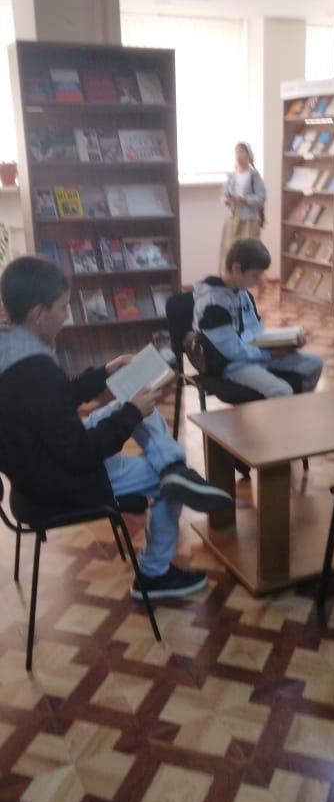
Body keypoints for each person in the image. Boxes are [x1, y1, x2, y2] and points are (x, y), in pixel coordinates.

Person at [0, 256, 233, 602]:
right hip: (60, 482)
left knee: (134, 404)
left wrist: (106, 372)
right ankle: (154, 574)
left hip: (36, 467)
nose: (67, 316)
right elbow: (81, 453)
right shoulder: (36, 372)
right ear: (38, 313)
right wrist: (131, 413)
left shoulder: (12, 350)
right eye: (63, 308)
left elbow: (56, 399)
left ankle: (173, 467)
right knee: (164, 477)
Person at [193, 238, 323, 398]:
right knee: (283, 391)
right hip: (231, 365)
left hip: (253, 353)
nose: (259, 281)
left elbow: (256, 331)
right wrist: (270, 354)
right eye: (255, 275)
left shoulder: (242, 292)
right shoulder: (213, 304)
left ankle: (297, 406)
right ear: (236, 268)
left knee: (315, 363)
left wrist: (288, 343)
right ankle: (288, 410)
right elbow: (232, 351)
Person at [219, 142, 266, 275]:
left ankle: (255, 280)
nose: (239, 155)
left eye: (242, 151)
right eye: (237, 152)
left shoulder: (254, 175)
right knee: (231, 252)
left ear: (249, 155)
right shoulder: (232, 175)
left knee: (249, 254)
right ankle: (232, 280)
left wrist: (245, 199)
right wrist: (228, 199)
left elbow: (261, 198)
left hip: (249, 220)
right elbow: (223, 196)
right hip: (234, 219)